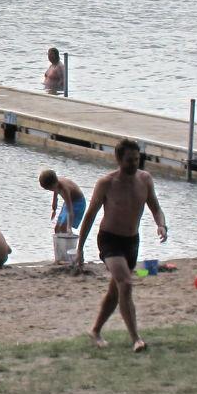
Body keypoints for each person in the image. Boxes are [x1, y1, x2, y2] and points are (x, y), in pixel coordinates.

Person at [73, 138, 167, 351]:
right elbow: (89, 216)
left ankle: (95, 330)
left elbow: (155, 207)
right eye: (129, 160)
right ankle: (136, 339)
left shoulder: (145, 179)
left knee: (116, 291)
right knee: (125, 283)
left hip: (132, 241)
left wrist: (161, 225)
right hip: (109, 239)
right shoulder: (107, 183)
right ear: (118, 159)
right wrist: (79, 249)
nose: (134, 164)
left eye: (137, 159)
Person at [40, 168, 86, 234]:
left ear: (53, 185)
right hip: (69, 203)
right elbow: (55, 196)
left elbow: (70, 211)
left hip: (78, 203)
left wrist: (69, 227)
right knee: (57, 228)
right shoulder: (55, 183)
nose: (51, 190)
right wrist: (54, 209)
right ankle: (58, 244)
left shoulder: (64, 189)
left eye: (50, 189)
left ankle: (68, 242)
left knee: (63, 227)